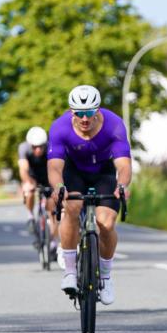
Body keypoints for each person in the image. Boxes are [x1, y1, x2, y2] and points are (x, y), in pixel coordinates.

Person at [46, 85, 132, 305]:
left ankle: (105, 275)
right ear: (71, 112)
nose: (84, 119)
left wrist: (121, 186)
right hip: (74, 173)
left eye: (89, 113)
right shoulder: (59, 128)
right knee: (72, 208)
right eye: (79, 113)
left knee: (106, 222)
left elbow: (123, 166)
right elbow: (55, 168)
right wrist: (59, 187)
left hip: (103, 173)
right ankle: (71, 273)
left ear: (98, 110)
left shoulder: (114, 125)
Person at [18, 126, 52, 237]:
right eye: (34, 147)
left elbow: (56, 167)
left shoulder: (51, 147)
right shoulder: (23, 148)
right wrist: (28, 181)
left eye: (40, 147)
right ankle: (30, 216)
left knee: (53, 206)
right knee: (28, 190)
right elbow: (23, 168)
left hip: (47, 175)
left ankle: (53, 241)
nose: (38, 150)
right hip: (31, 175)